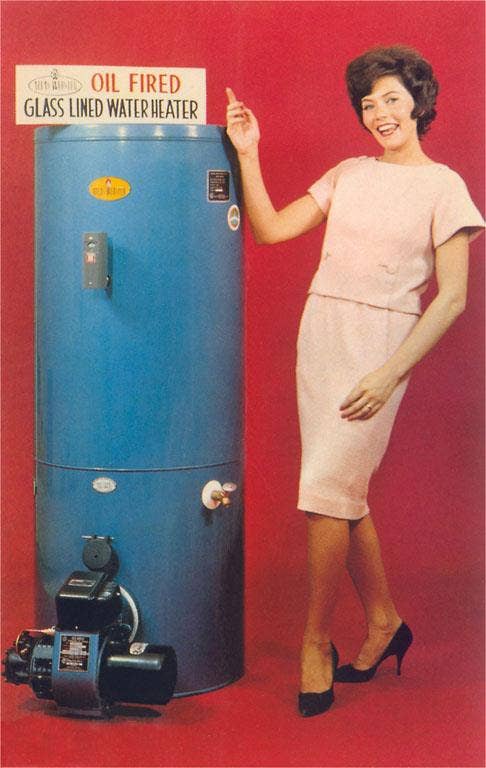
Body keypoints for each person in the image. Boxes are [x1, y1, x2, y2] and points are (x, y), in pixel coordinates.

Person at [225, 45, 484, 717]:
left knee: (323, 494)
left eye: (392, 99)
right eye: (368, 104)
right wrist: (249, 153)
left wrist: (390, 372)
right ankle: (383, 622)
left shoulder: (445, 186)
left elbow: (452, 298)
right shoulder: (349, 172)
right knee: (341, 493)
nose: (380, 114)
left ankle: (315, 644)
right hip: (322, 336)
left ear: (419, 103)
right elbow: (271, 230)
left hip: (382, 347)